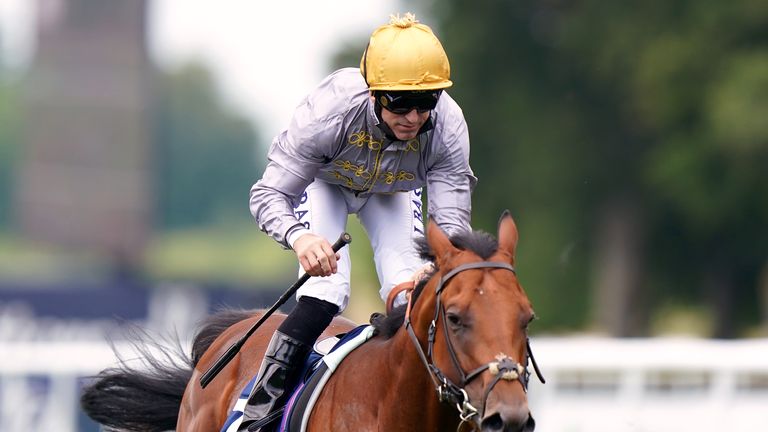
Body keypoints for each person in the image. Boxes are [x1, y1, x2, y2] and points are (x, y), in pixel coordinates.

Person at [241, 13, 476, 431]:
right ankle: (262, 408)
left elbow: (452, 227)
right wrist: (299, 237)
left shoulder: (449, 127)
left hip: (393, 192)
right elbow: (269, 194)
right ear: (373, 93)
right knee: (327, 291)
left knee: (411, 294)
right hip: (325, 184)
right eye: (400, 103)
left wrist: (440, 265)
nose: (414, 117)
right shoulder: (330, 113)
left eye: (427, 102)